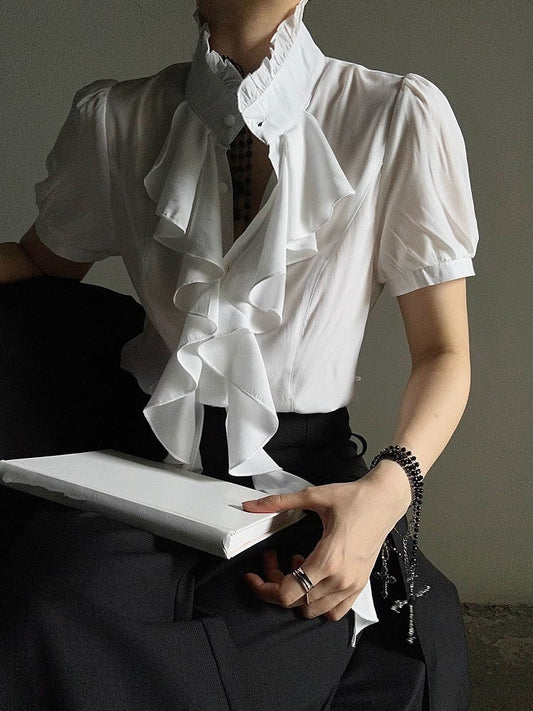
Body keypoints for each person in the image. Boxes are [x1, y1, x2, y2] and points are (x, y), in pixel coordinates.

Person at [0, 0, 478, 708]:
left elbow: (443, 353)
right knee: (42, 621)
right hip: (140, 475)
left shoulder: (393, 116)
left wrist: (385, 494)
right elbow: (41, 263)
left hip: (305, 485)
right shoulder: (117, 118)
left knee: (279, 662)